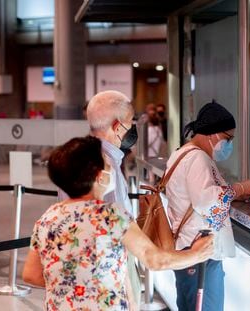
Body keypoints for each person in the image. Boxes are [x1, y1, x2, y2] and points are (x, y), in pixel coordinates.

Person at [22, 136, 214, 311]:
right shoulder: (111, 215)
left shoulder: (48, 218)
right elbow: (154, 259)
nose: (111, 170)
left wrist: (74, 287)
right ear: (98, 175)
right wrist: (196, 254)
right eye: (107, 164)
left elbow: (31, 274)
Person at [165, 101, 250, 311]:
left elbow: (201, 195)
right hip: (199, 252)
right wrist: (240, 188)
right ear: (212, 134)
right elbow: (206, 201)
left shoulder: (182, 153)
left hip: (188, 249)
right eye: (228, 138)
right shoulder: (197, 158)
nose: (229, 145)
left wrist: (239, 194)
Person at [85, 90, 141, 307]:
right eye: (131, 122)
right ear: (118, 126)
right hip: (111, 273)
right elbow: (119, 233)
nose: (132, 129)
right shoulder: (107, 166)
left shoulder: (77, 157)